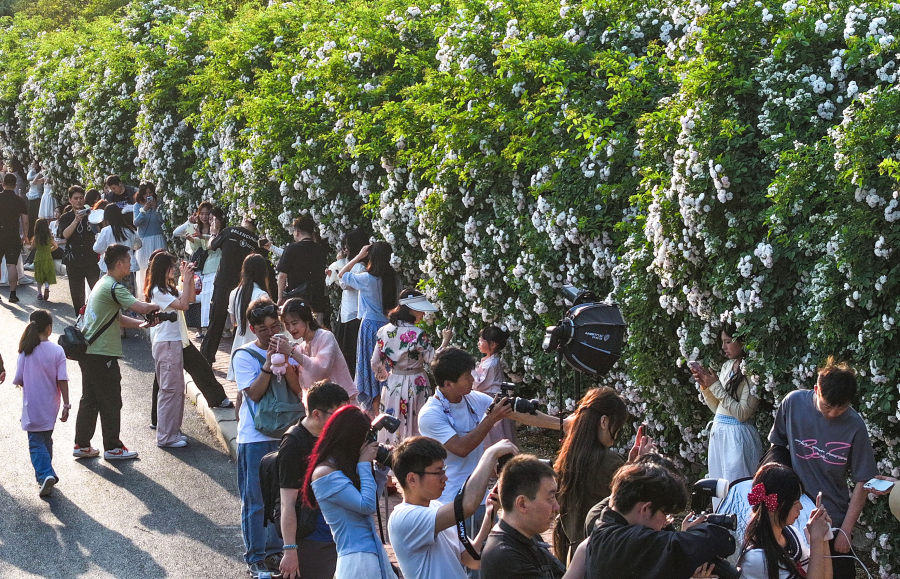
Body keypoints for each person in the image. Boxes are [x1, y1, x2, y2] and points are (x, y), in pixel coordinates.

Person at [767, 357, 877, 578]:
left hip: (832, 519)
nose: (833, 414)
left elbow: (863, 480)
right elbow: (776, 447)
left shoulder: (855, 425)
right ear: (816, 389)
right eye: (827, 406)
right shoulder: (793, 403)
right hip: (790, 515)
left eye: (841, 408)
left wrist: (846, 530)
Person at [419, 347, 570, 507]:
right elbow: (461, 448)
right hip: (448, 501)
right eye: (467, 376)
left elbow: (517, 413)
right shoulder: (430, 414)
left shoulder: (472, 399)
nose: (472, 379)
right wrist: (492, 418)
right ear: (448, 384)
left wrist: (563, 424)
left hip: (479, 497)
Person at [232, 297, 300, 578]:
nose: (271, 333)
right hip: (255, 437)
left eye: (275, 327)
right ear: (252, 329)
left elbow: (298, 390)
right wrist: (269, 364)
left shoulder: (290, 349)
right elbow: (254, 393)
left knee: (282, 499)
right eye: (263, 329)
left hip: (286, 433)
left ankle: (275, 551)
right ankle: (256, 556)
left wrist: (288, 358)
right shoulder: (243, 355)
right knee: (256, 500)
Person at [73, 244, 159, 460]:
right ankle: (113, 447)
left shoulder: (102, 283)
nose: (131, 265)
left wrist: (141, 325)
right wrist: (164, 305)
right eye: (129, 261)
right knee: (111, 400)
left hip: (89, 352)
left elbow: (116, 318)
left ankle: (82, 444)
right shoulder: (114, 287)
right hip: (102, 354)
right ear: (119, 263)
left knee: (90, 399)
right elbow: (141, 307)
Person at [583, 458, 735, 578]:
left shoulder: (605, 528)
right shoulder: (624, 542)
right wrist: (692, 535)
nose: (665, 523)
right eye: (665, 513)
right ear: (645, 509)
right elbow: (710, 541)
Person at [389, 436, 516, 578]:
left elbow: (471, 559)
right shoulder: (403, 517)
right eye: (438, 472)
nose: (445, 478)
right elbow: (467, 506)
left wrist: (489, 514)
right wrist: (490, 455)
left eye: (444, 470)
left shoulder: (436, 507)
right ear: (412, 479)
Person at [304, 405, 397, 579]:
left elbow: (369, 500)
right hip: (358, 560)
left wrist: (380, 471)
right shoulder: (325, 473)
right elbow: (367, 506)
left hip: (369, 554)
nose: (365, 445)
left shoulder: (342, 466)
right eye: (363, 439)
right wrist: (363, 464)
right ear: (349, 439)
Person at [277, 381, 350, 579]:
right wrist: (290, 549)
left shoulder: (334, 435)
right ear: (317, 414)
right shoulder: (293, 444)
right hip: (312, 536)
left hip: (339, 531)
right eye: (337, 414)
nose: (343, 420)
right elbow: (287, 503)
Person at [552, 386, 629, 563]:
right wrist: (636, 469)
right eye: (617, 427)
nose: (616, 436)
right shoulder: (610, 462)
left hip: (571, 555)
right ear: (604, 422)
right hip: (602, 556)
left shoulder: (566, 459)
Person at [371, 289, 451, 444]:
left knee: (392, 420)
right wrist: (445, 342)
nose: (423, 313)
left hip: (393, 382)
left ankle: (392, 453)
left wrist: (386, 376)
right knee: (417, 422)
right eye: (420, 309)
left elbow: (375, 361)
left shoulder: (383, 331)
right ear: (411, 309)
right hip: (416, 382)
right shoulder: (418, 333)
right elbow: (433, 359)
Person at [690, 325, 763, 484]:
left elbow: (742, 414)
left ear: (741, 341)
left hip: (737, 437)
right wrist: (706, 387)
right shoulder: (727, 366)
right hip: (719, 433)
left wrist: (715, 386)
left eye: (728, 341)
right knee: (720, 487)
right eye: (723, 342)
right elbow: (718, 408)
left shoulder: (752, 371)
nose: (724, 347)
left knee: (737, 485)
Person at [738, 463, 834, 579]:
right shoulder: (756, 558)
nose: (801, 507)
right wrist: (816, 539)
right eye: (795, 502)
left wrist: (823, 537)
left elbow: (825, 576)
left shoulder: (791, 534)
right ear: (777, 506)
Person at [11, 309, 70, 496]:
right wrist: (66, 404)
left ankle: (45, 474)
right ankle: (47, 474)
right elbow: (62, 379)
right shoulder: (57, 351)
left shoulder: (26, 351)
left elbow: (18, 379)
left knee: (36, 443)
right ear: (49, 328)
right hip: (51, 405)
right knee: (45, 439)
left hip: (32, 405)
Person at [480, 455, 567, 579]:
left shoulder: (529, 536)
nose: (557, 507)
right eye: (551, 498)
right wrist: (581, 554)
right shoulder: (505, 557)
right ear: (522, 504)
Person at [338, 240, 398, 413]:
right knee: (387, 368)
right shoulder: (392, 278)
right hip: (388, 326)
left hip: (370, 326)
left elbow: (342, 274)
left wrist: (358, 256)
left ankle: (375, 411)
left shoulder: (367, 279)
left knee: (373, 371)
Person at [146, 252, 196, 448]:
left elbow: (190, 299)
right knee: (169, 390)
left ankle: (173, 432)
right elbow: (183, 306)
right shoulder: (157, 290)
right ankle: (165, 437)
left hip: (172, 342)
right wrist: (186, 278)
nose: (174, 269)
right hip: (166, 343)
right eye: (171, 266)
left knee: (176, 390)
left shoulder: (167, 288)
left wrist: (187, 278)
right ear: (162, 268)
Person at [201, 216, 264, 362]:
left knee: (216, 321)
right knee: (241, 323)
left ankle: (206, 358)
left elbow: (211, 245)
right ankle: (241, 359)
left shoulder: (230, 231)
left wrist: (213, 232)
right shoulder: (256, 241)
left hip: (223, 282)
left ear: (246, 219)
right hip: (244, 286)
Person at [280, 297, 358, 403]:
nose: (291, 329)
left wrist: (291, 352)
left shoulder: (326, 337)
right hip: (321, 406)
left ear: (307, 319)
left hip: (341, 402)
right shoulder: (301, 347)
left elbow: (321, 369)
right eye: (287, 324)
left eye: (294, 323)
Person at [227, 253, 272, 380]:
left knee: (243, 384)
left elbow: (233, 321)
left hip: (240, 342)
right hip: (258, 345)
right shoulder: (261, 295)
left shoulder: (234, 293)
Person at [276, 215, 328, 324]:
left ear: (297, 232)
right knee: (316, 332)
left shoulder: (291, 249)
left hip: (296, 302)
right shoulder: (320, 250)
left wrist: (280, 297)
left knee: (297, 331)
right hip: (317, 301)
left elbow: (282, 276)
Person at [173, 201, 215, 334]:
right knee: (195, 294)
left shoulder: (214, 228)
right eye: (201, 214)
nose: (204, 217)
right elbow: (176, 233)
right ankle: (198, 328)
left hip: (210, 265)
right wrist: (189, 223)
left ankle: (209, 325)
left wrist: (201, 237)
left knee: (208, 297)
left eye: (207, 214)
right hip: (197, 264)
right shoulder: (195, 227)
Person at [57, 186, 101, 314]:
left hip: (91, 259)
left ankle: (98, 318)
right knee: (77, 295)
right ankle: (79, 319)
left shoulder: (92, 213)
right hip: (73, 260)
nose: (79, 201)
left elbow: (99, 231)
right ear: (70, 200)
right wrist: (76, 220)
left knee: (97, 291)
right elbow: (64, 235)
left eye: (81, 198)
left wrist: (92, 218)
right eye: (75, 198)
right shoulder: (66, 217)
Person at [473, 324, 516, 446]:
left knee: (494, 430)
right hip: (492, 398)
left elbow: (479, 384)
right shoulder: (490, 360)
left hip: (492, 399)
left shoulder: (492, 363)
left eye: (482, 340)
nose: (479, 342)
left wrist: (471, 371)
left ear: (492, 344)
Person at [333, 228, 368, 375]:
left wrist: (339, 264)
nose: (345, 249)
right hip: (346, 313)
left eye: (348, 246)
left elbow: (344, 283)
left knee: (351, 354)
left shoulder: (360, 267)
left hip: (354, 314)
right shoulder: (350, 264)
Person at [133, 182, 166, 301]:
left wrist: (155, 209)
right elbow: (136, 222)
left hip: (158, 238)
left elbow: (162, 221)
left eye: (150, 193)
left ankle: (161, 294)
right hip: (145, 241)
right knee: (145, 268)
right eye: (145, 193)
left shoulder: (159, 204)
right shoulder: (137, 206)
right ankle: (146, 296)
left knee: (160, 266)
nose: (148, 195)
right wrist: (144, 210)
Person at [0, 172, 28, 303]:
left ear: (3, 184)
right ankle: (12, 294)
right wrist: (25, 236)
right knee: (11, 264)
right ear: (15, 185)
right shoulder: (20, 200)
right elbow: (25, 221)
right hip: (13, 235)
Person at [92, 204, 139, 275]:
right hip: (127, 266)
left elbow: (97, 248)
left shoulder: (105, 231)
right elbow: (138, 246)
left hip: (109, 267)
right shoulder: (130, 230)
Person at [31, 218, 57, 302]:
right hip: (48, 257)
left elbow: (32, 247)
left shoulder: (36, 238)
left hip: (38, 258)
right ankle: (47, 287)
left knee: (39, 276)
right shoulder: (50, 237)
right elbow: (56, 246)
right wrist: (49, 250)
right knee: (47, 274)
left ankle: (39, 293)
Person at [25, 161, 44, 239]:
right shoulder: (34, 173)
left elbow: (30, 179)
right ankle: (30, 236)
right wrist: (32, 169)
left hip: (37, 197)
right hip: (31, 197)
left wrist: (38, 172)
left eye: (33, 163)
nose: (31, 165)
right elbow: (28, 177)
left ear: (36, 165)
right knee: (31, 217)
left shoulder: (40, 174)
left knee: (35, 217)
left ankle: (36, 236)